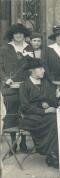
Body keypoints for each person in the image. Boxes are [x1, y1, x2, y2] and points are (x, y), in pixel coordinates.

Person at [19, 57, 60, 168]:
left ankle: (53, 153)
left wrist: (55, 98)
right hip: (30, 117)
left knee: (57, 119)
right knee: (53, 120)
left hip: (44, 116)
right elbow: (25, 107)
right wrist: (44, 110)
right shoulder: (24, 86)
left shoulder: (46, 83)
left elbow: (53, 101)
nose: (44, 71)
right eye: (41, 68)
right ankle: (50, 153)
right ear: (32, 70)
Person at [0, 23, 32, 154]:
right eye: (16, 33)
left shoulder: (29, 48)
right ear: (12, 35)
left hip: (26, 86)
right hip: (11, 86)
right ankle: (13, 144)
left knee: (24, 111)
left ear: (24, 35)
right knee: (12, 113)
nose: (19, 35)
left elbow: (33, 65)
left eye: (21, 33)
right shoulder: (5, 48)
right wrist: (6, 78)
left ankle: (23, 142)